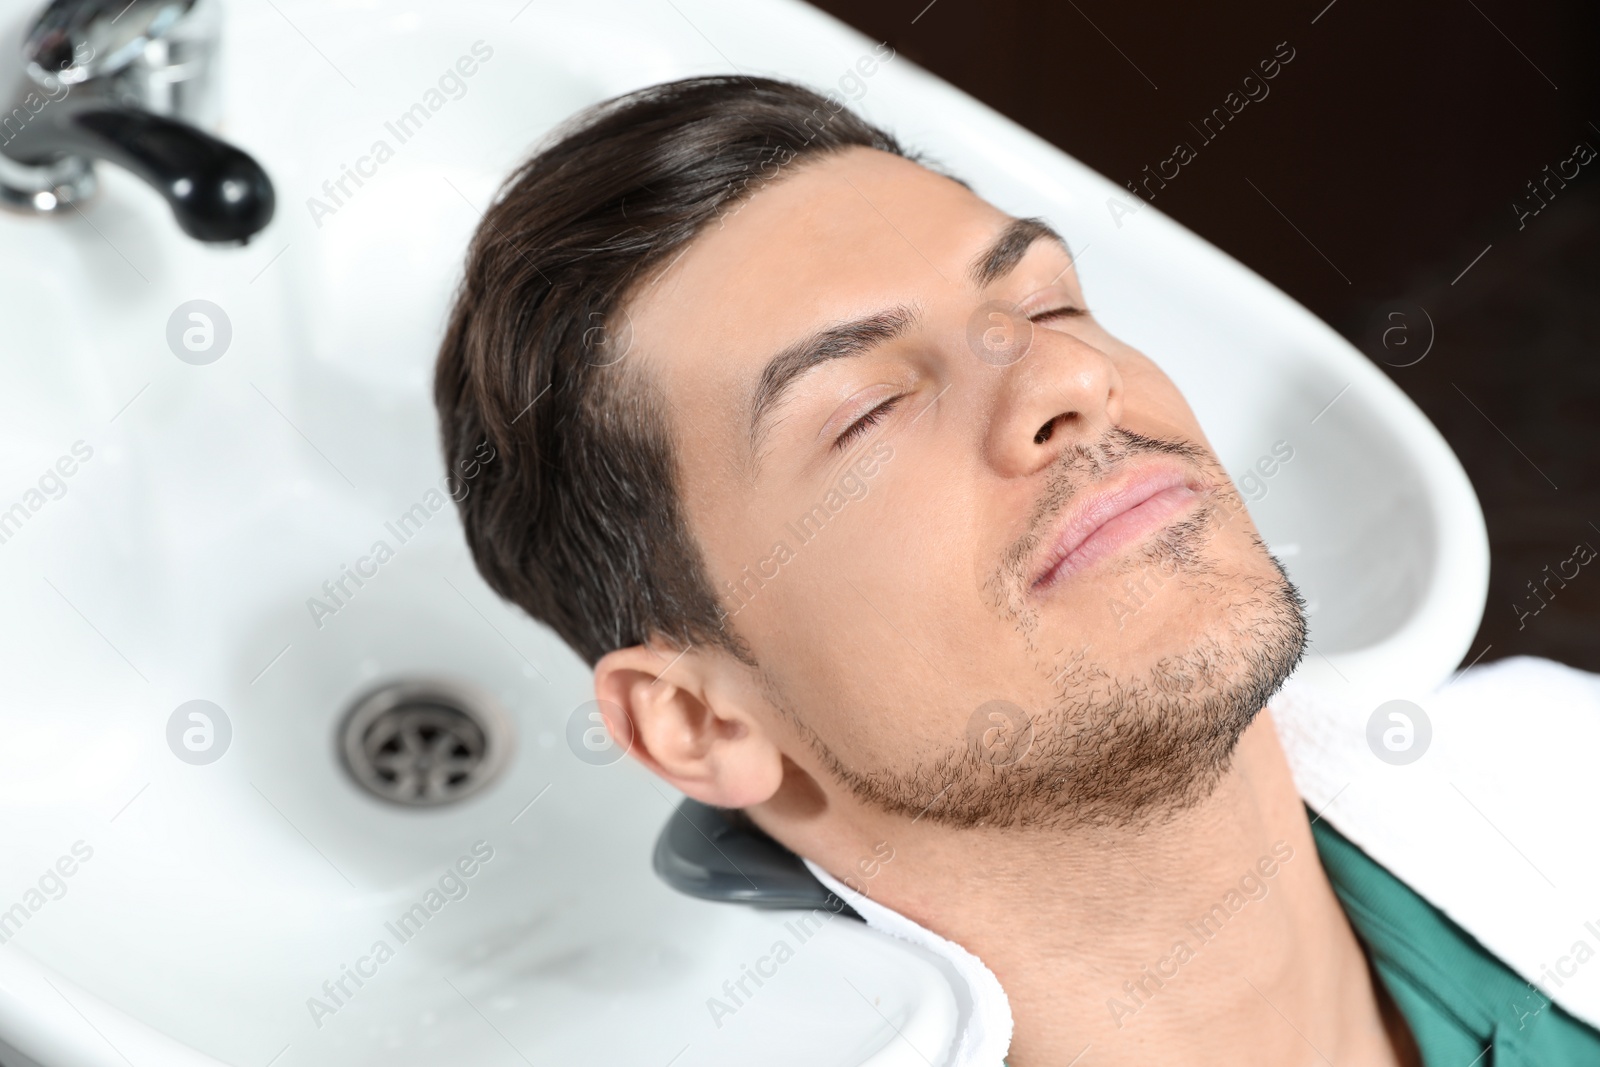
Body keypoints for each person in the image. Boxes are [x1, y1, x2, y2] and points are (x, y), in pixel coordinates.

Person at [433, 75, 1600, 1065]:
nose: (1064, 380)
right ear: (698, 720)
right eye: (870, 407)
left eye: (1045, 301)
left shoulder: (1560, 766)